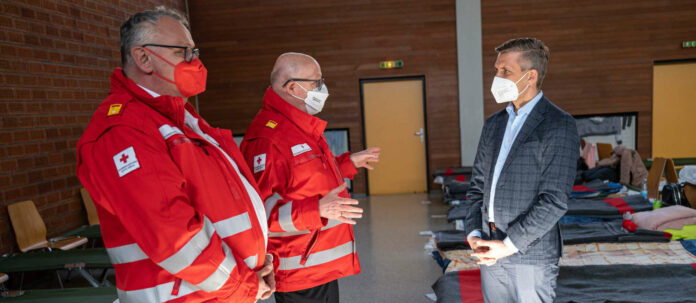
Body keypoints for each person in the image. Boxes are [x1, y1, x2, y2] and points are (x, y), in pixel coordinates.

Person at [76, 7, 274, 302]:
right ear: (143, 58)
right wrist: (244, 285)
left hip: (224, 291)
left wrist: (256, 261)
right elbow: (175, 238)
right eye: (185, 53)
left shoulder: (181, 120)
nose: (196, 63)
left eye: (196, 52)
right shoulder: (123, 129)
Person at [240, 52, 380, 303]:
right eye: (316, 82)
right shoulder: (267, 138)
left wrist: (348, 163)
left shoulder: (299, 126)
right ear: (292, 87)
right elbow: (258, 212)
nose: (322, 88)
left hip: (317, 264)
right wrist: (317, 209)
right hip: (299, 269)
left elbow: (306, 175)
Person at [465, 38, 579, 302]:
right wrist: (474, 233)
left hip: (530, 256)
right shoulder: (494, 124)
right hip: (488, 250)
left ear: (531, 77)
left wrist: (507, 246)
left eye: (505, 71)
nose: (497, 77)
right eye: (496, 70)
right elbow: (477, 187)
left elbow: (554, 200)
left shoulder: (558, 125)